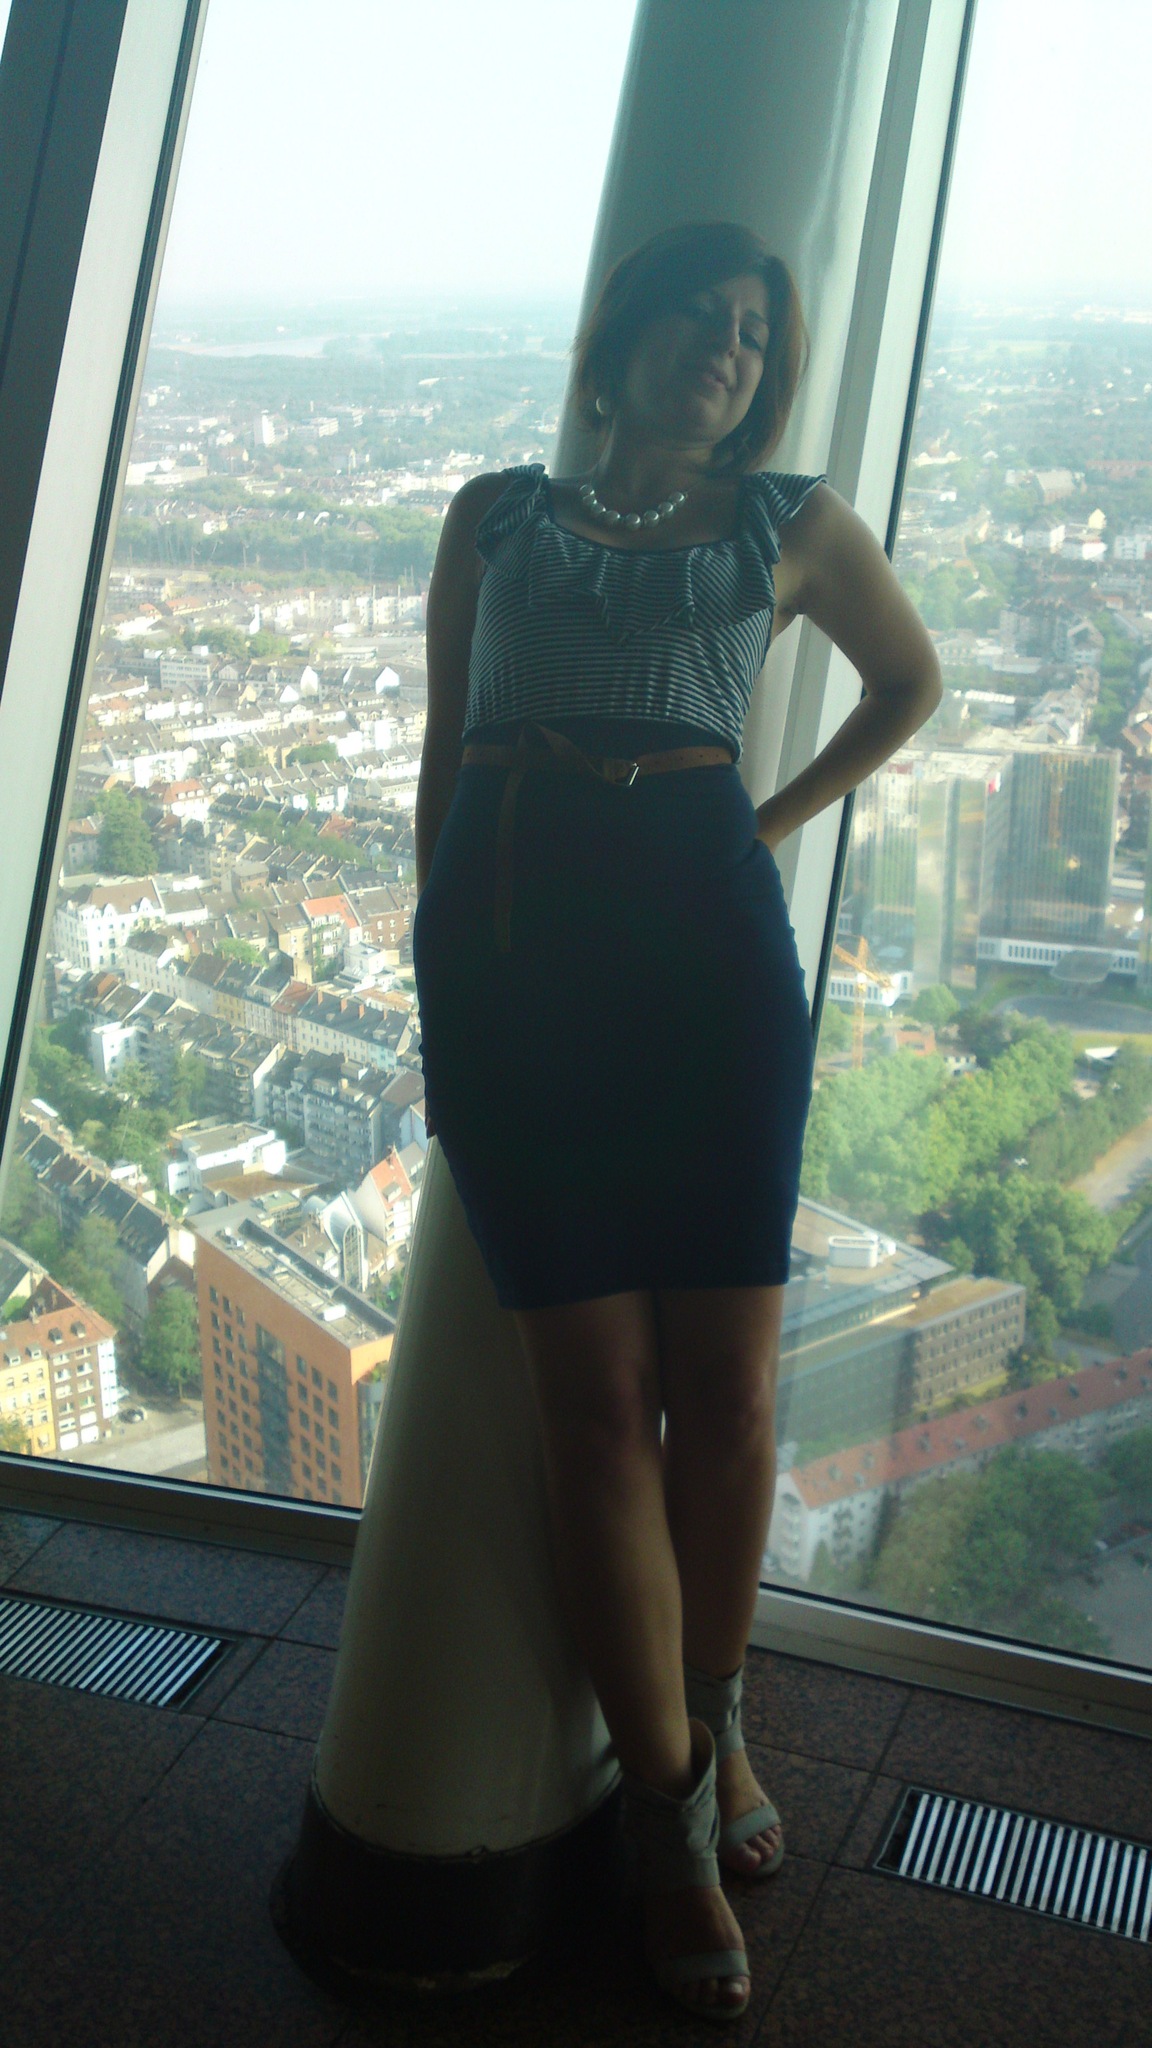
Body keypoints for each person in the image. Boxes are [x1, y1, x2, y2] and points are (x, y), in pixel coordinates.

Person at [413, 220, 941, 2024]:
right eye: (701, 320)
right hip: (512, 954)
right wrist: (436, 974)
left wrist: (757, 824)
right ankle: (664, 1812)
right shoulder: (496, 518)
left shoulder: (790, 524)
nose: (728, 351)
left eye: (754, 336)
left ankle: (711, 1729)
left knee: (728, 1392)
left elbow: (909, 685)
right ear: (622, 333)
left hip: (706, 955)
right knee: (591, 1405)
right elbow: (445, 751)